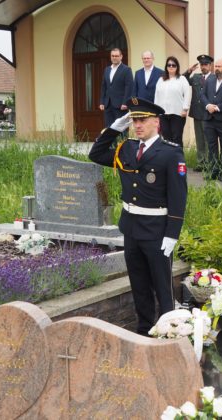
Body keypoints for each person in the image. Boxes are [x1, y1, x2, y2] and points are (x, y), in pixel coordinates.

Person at [88, 97, 187, 336]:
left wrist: (172, 234)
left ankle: (168, 332)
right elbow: (95, 154)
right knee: (139, 284)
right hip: (131, 227)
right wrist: (114, 129)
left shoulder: (171, 153)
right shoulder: (128, 148)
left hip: (156, 230)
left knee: (163, 287)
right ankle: (143, 331)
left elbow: (178, 196)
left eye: (142, 120)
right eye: (133, 121)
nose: (137, 125)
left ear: (156, 122)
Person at [183, 54, 214, 171]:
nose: (203, 66)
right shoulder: (195, 77)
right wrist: (189, 71)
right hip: (197, 112)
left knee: (209, 140)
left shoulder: (214, 78)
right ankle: (201, 163)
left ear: (210, 65)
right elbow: (183, 80)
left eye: (206, 64)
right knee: (200, 139)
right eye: (202, 65)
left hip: (209, 114)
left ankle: (209, 163)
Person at [154, 56, 191, 146]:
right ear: (166, 67)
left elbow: (187, 94)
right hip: (163, 114)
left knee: (177, 138)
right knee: (166, 138)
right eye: (169, 65)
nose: (171, 67)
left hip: (177, 113)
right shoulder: (161, 80)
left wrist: (185, 109)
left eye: (173, 65)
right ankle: (169, 159)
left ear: (177, 67)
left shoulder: (182, 79)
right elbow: (157, 96)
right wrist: (156, 112)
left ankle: (179, 160)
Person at [99, 48, 133, 128]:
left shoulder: (126, 70)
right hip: (108, 105)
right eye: (113, 56)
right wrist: (102, 102)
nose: (114, 57)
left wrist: (125, 102)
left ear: (121, 57)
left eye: (116, 56)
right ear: (110, 57)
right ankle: (111, 141)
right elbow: (104, 86)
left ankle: (122, 141)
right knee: (109, 128)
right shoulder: (107, 70)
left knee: (121, 129)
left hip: (121, 105)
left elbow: (129, 87)